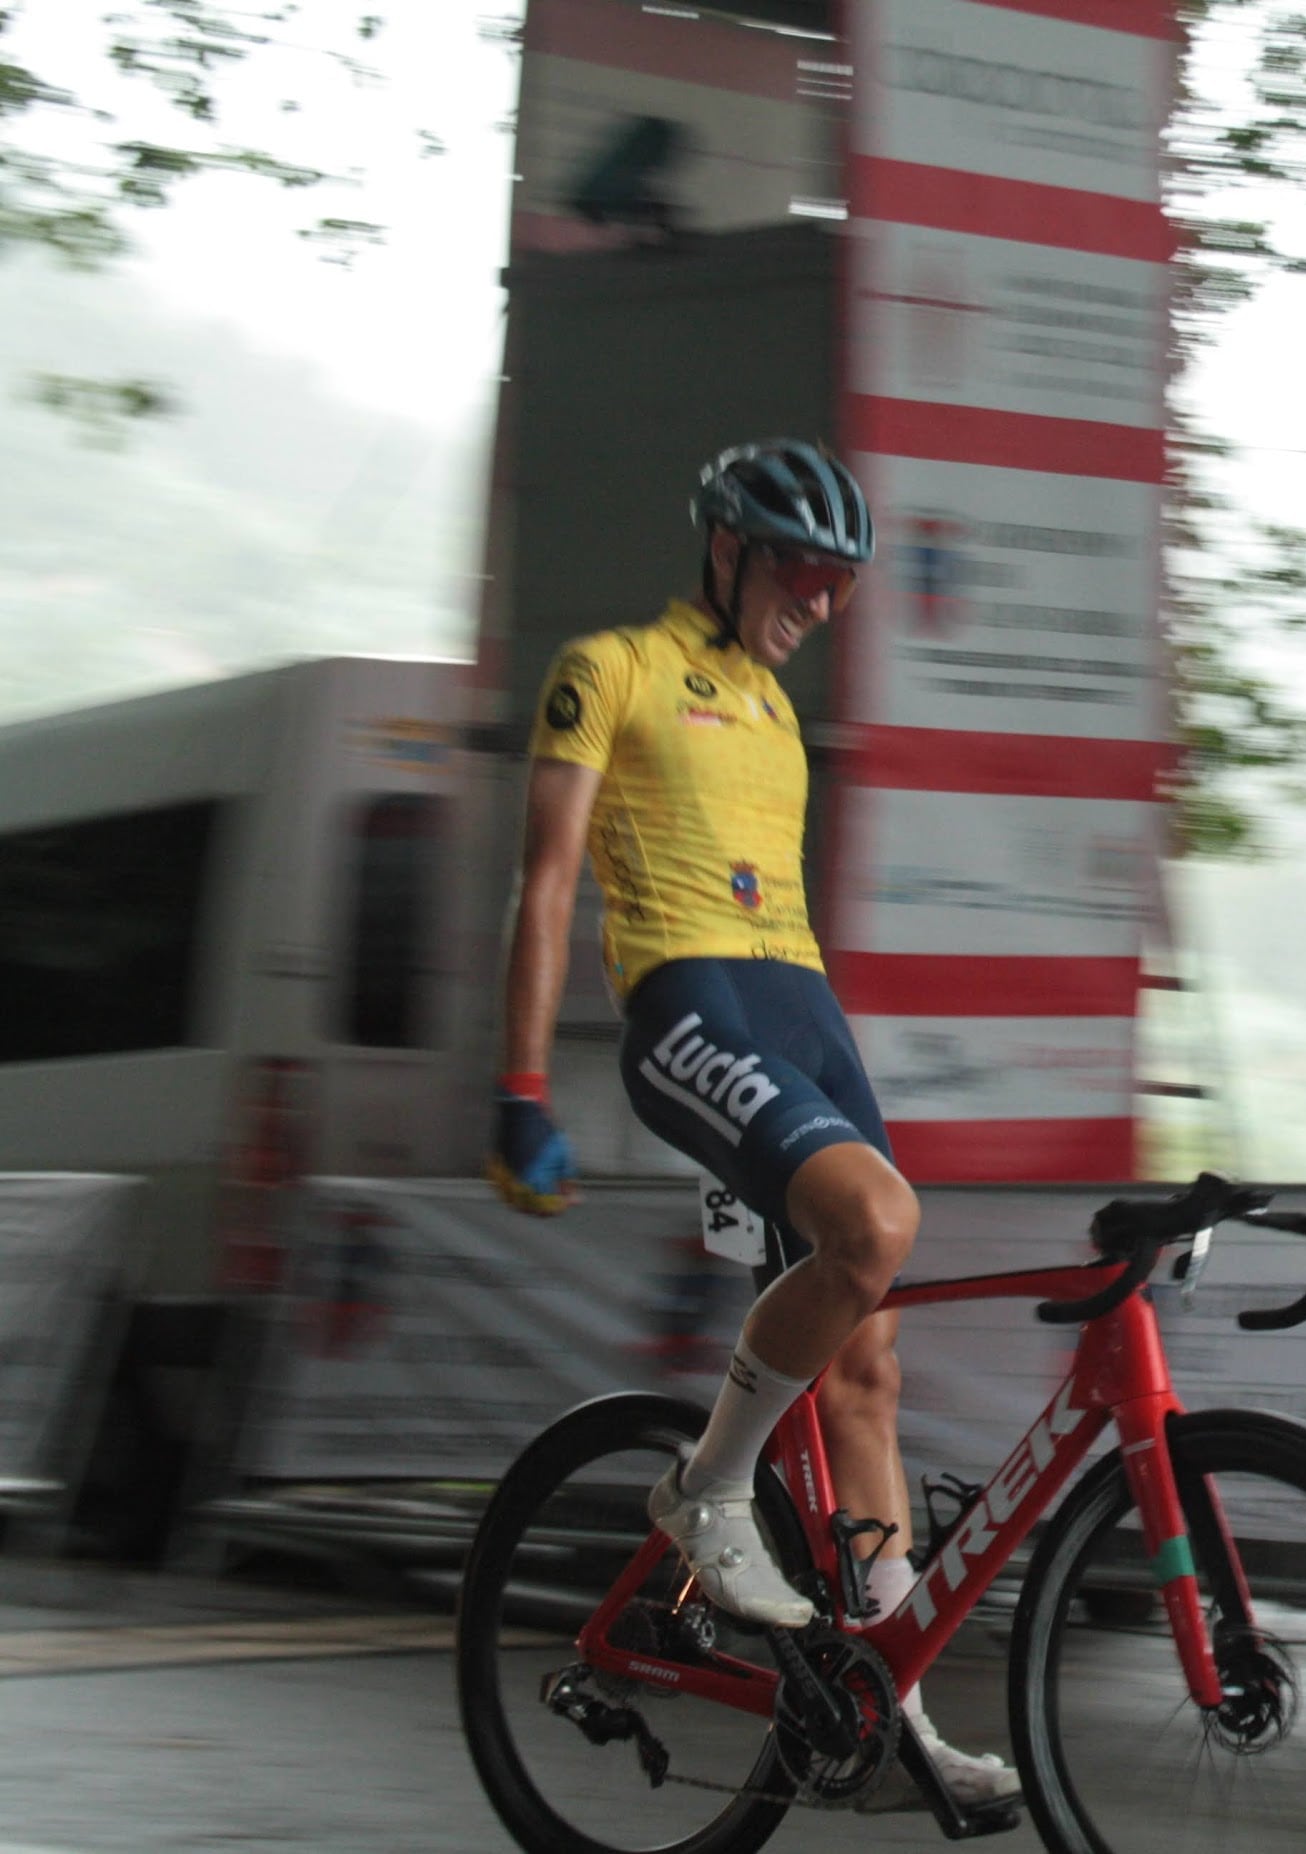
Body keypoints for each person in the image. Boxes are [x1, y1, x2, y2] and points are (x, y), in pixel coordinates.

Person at [485, 439, 1016, 1810]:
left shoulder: (776, 713)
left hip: (803, 1015)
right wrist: (523, 1083)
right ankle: (704, 1490)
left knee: (873, 1362)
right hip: (687, 1006)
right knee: (878, 1223)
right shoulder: (610, 668)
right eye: (802, 565)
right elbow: (548, 885)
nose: (823, 597)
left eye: (842, 579)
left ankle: (891, 1717)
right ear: (723, 545)